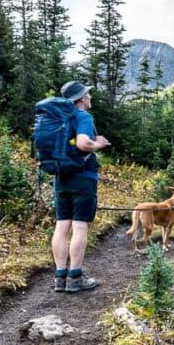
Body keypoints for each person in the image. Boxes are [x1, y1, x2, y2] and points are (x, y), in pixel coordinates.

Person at [51, 80, 110, 293]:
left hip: (61, 178)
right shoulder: (82, 116)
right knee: (80, 226)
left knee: (61, 226)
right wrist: (99, 144)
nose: (90, 97)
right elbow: (84, 143)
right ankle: (75, 277)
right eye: (88, 94)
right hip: (82, 178)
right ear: (81, 98)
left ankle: (60, 277)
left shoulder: (58, 117)